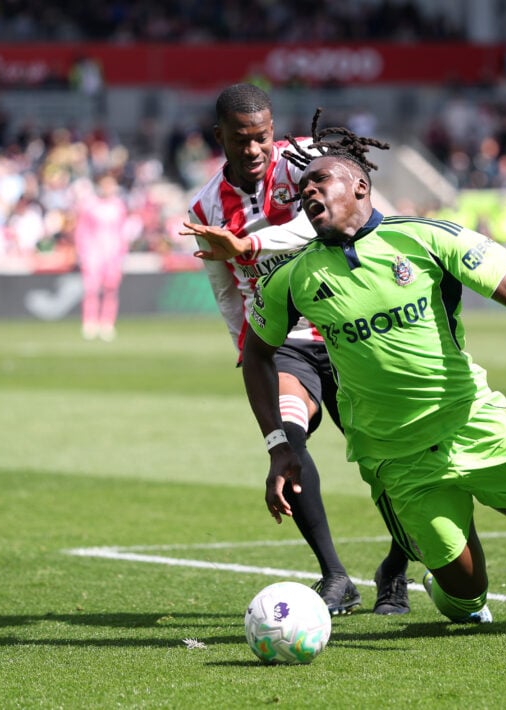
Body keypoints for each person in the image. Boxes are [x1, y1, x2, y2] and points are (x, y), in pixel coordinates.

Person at [238, 110, 506, 625]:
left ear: (360, 186)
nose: (308, 193)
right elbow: (255, 351)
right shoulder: (293, 278)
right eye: (303, 190)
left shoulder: (427, 239)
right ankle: (442, 579)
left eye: (320, 181)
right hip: (396, 456)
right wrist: (278, 444)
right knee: (468, 600)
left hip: (472, 421)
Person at [179, 83, 412, 616]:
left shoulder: (304, 165)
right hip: (285, 344)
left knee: (391, 461)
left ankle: (395, 570)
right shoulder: (206, 205)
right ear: (220, 137)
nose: (255, 149)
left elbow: (321, 223)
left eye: (262, 137)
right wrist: (248, 348)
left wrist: (253, 243)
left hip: (350, 329)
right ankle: (335, 577)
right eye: (242, 140)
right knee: (288, 440)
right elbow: (225, 286)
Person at [73, 172, 129, 341]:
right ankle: (90, 322)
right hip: (94, 252)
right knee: (91, 288)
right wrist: (82, 251)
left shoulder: (118, 206)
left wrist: (122, 252)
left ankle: (107, 323)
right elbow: (82, 230)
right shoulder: (90, 206)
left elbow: (122, 232)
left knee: (111, 288)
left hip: (112, 252)